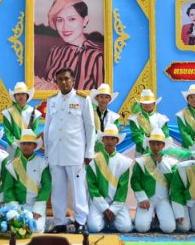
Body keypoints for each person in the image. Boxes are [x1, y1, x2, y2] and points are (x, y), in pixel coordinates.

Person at [44, 67, 95, 234]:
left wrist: (89, 152)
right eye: (60, 79)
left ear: (73, 81)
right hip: (55, 152)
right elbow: (47, 128)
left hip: (75, 151)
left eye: (67, 78)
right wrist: (47, 152)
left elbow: (90, 127)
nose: (64, 82)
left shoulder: (82, 100)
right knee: (57, 189)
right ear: (56, 82)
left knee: (78, 188)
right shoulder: (51, 100)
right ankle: (60, 222)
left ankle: (80, 221)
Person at [40, 0, 103, 91]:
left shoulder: (96, 57)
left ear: (85, 21)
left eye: (72, 19)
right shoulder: (54, 52)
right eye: (60, 20)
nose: (65, 26)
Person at [130, 128, 182, 233]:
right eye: (153, 144)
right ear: (149, 144)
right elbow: (135, 181)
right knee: (141, 228)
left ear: (163, 145)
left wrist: (162, 163)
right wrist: (142, 198)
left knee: (169, 228)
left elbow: (174, 182)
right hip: (147, 199)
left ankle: (159, 218)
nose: (156, 147)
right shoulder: (141, 161)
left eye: (159, 144)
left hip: (164, 200)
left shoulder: (172, 162)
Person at [86, 124, 133, 233]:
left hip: (116, 202)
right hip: (98, 202)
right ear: (102, 140)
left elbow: (123, 189)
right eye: (106, 138)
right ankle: (107, 218)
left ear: (117, 141)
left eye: (112, 138)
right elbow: (92, 187)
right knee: (94, 228)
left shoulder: (124, 162)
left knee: (125, 228)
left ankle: (110, 219)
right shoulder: (93, 161)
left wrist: (113, 209)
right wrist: (104, 208)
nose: (109, 141)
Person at [2, 129, 51, 233]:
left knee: (36, 229)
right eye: (23, 143)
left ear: (34, 146)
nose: (26, 146)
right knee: (15, 228)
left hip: (35, 205)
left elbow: (46, 187)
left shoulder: (43, 163)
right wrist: (16, 208)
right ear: (20, 146)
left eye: (29, 144)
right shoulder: (11, 165)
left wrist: (38, 208)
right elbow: (8, 189)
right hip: (17, 206)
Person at [2, 82, 41, 156]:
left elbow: (34, 132)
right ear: (15, 96)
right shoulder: (8, 113)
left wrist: (27, 144)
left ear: (27, 96)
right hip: (13, 149)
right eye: (18, 94)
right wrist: (16, 144)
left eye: (23, 94)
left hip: (29, 148)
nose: (21, 96)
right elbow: (8, 132)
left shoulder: (35, 113)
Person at [128, 89, 170, 156]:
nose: (147, 105)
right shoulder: (134, 119)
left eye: (150, 103)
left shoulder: (161, 118)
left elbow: (166, 134)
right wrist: (149, 148)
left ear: (154, 104)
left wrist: (158, 148)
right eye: (144, 103)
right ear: (141, 104)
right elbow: (137, 136)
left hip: (160, 151)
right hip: (142, 151)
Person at [90, 83, 121, 152]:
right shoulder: (90, 114)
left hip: (108, 149)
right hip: (91, 148)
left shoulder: (114, 117)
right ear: (96, 98)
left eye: (106, 97)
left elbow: (115, 135)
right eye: (101, 96)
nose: (103, 99)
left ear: (109, 99)